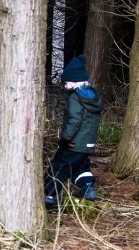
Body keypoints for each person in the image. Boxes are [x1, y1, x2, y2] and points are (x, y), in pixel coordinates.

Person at [45, 54, 102, 208]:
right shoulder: (93, 96)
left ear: (74, 82)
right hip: (87, 144)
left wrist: (65, 139)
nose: (64, 87)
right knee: (81, 166)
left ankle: (50, 197)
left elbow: (74, 121)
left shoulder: (75, 97)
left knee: (58, 167)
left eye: (66, 83)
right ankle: (87, 187)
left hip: (73, 143)